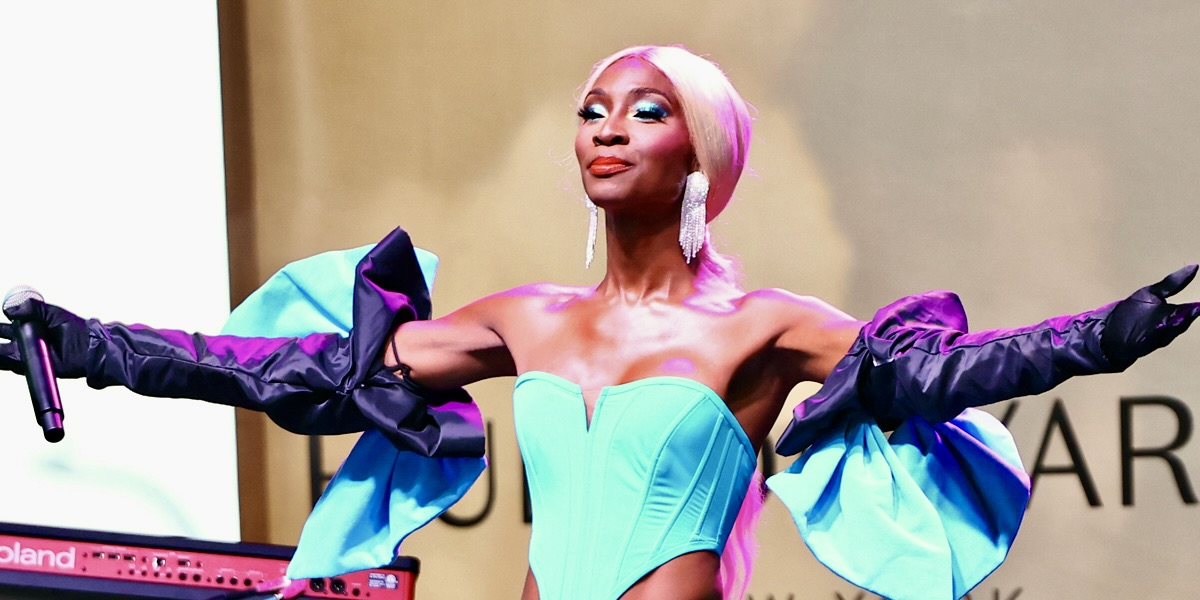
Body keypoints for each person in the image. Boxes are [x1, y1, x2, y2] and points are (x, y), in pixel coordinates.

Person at [2, 45, 1199, 600]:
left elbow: (952, 371)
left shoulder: (765, 329)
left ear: (703, 153)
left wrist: (1107, 334)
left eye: (645, 109)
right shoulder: (525, 320)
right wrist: (92, 346)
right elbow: (285, 374)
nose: (607, 126)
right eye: (592, 108)